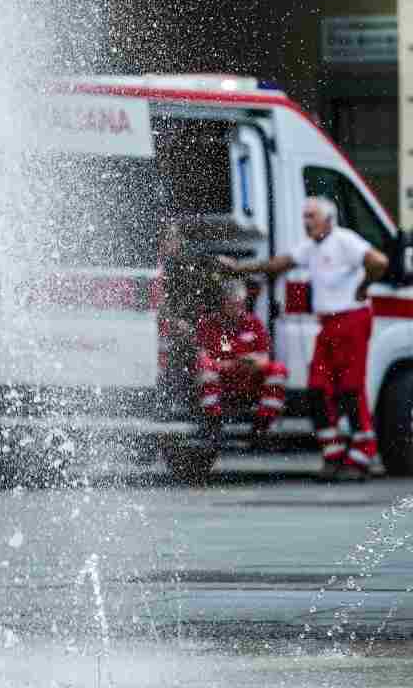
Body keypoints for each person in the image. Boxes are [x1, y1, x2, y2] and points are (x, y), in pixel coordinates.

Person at [220, 196, 389, 482]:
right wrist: (239, 269)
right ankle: (333, 455)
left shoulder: (344, 240)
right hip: (328, 324)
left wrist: (363, 287)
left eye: (311, 216)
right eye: (305, 216)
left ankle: (362, 455)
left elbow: (379, 261)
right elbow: (277, 265)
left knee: (350, 389)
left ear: (328, 219)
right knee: (317, 389)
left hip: (351, 319)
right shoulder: (311, 248)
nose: (306, 221)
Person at [193, 280, 288, 443]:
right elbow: (202, 358)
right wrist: (228, 364)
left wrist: (252, 361)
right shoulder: (209, 324)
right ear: (223, 303)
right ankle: (213, 423)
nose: (238, 309)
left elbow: (264, 357)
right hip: (222, 379)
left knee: (278, 370)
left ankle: (261, 428)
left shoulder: (253, 323)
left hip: (248, 378)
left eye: (240, 304)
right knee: (205, 369)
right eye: (233, 304)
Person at [157, 220, 224, 413]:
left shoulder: (186, 265)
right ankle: (176, 403)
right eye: (165, 239)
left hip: (192, 330)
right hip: (174, 329)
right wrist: (175, 320)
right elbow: (162, 302)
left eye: (173, 238)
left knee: (205, 353)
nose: (169, 243)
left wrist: (188, 326)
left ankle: (203, 407)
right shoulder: (162, 266)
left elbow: (197, 299)